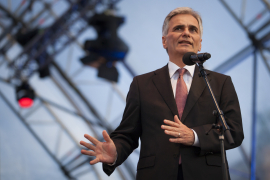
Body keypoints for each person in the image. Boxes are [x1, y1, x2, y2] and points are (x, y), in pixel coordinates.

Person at [80, 7, 244, 180]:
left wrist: (194, 136)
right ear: (164, 41)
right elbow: (128, 134)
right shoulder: (141, 84)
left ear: (200, 43)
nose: (186, 33)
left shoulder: (220, 82)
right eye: (178, 28)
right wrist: (116, 152)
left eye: (192, 29)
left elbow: (233, 131)